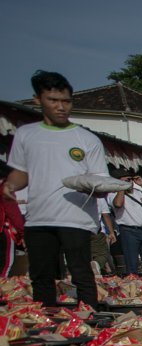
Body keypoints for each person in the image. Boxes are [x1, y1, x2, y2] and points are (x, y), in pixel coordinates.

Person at [2, 71, 105, 308]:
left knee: (81, 273)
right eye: (53, 100)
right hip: (39, 217)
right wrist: (10, 184)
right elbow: (21, 172)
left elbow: (100, 180)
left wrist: (101, 190)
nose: (61, 107)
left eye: (66, 102)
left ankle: (90, 320)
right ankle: (46, 322)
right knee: (41, 275)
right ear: (38, 100)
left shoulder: (86, 139)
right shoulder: (26, 134)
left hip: (76, 217)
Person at [109, 169, 142, 277]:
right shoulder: (113, 194)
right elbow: (118, 204)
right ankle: (133, 286)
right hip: (128, 231)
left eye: (131, 179)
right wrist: (122, 187)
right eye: (127, 180)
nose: (130, 182)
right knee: (132, 263)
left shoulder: (138, 193)